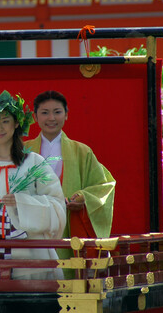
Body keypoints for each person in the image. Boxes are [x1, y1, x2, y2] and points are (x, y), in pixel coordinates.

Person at [0, 90, 66, 280]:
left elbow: (57, 205)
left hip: (31, 260)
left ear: (16, 123)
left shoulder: (35, 163)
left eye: (5, 121)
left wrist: (22, 204)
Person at [24, 90, 116, 255]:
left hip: (67, 223)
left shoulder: (81, 151)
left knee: (67, 267)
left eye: (57, 112)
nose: (51, 118)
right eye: (45, 113)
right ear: (35, 117)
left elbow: (103, 186)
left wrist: (84, 197)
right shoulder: (24, 151)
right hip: (33, 224)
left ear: (66, 115)